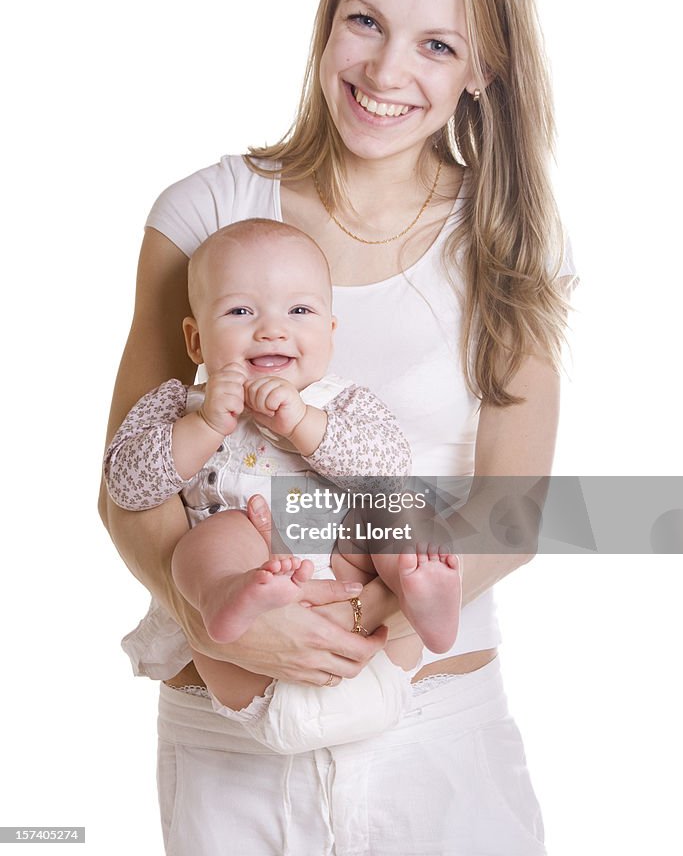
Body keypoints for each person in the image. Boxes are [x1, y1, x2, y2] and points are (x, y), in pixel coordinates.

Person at [101, 0, 576, 855]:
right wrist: (214, 616)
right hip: (233, 744)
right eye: (365, 21)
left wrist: (367, 613)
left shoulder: (504, 244)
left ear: (481, 68)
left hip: (433, 729)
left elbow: (515, 510)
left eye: (435, 44)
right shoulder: (204, 214)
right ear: (328, 17)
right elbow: (130, 482)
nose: (385, 69)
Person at [103, 218, 461, 746]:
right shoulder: (177, 405)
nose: (271, 329)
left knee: (397, 506)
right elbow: (125, 486)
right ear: (196, 339)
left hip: (355, 593)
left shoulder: (342, 403)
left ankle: (422, 589)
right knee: (208, 542)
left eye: (299, 310)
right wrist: (201, 428)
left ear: (330, 334)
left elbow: (386, 466)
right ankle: (228, 595)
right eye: (240, 311)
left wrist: (303, 424)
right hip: (250, 638)